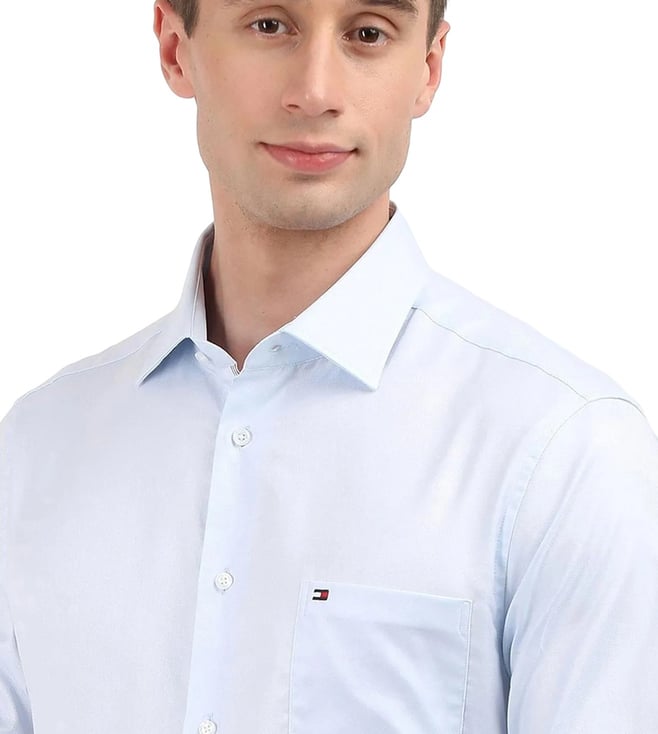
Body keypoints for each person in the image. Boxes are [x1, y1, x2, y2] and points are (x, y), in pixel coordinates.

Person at [1, 0, 656, 731]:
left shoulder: (565, 454)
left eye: (368, 33)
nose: (315, 93)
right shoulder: (38, 447)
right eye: (269, 25)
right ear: (175, 48)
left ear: (429, 68)